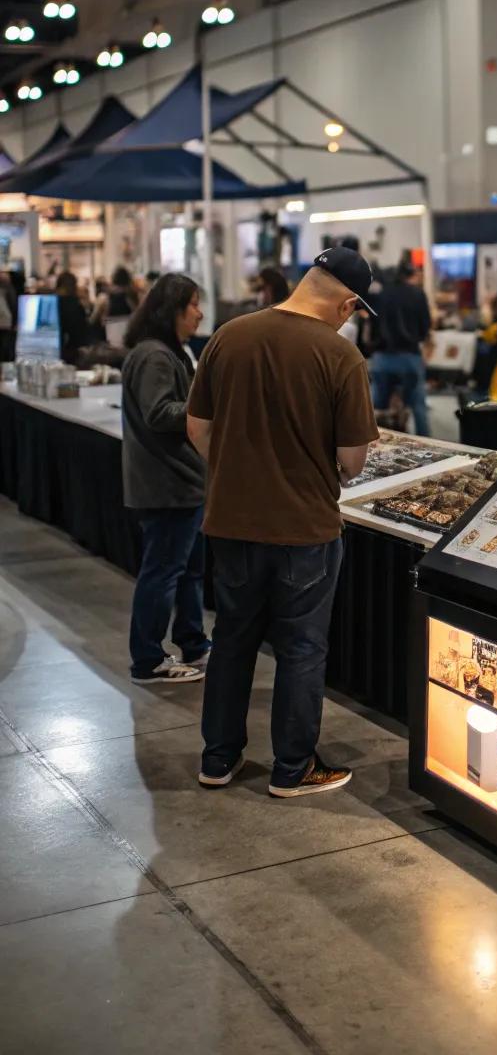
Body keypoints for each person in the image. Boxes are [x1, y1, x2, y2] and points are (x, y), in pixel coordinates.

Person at [187, 244, 378, 797]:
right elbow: (352, 460)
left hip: (230, 523)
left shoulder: (228, 336)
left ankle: (218, 759)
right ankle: (293, 768)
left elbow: (197, 428)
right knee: (301, 649)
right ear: (347, 305)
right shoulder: (340, 356)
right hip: (305, 530)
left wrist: (236, 472)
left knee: (231, 641)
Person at [121, 274, 210, 683]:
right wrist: (208, 406)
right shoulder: (155, 356)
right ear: (171, 309)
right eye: (193, 304)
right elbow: (158, 413)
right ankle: (148, 659)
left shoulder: (166, 352)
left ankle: (194, 643)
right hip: (167, 484)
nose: (199, 314)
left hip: (182, 483)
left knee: (187, 570)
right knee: (163, 572)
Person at [370, 261, 432, 435]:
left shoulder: (381, 295)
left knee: (377, 409)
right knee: (418, 407)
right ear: (409, 276)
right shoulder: (418, 294)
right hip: (410, 357)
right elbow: (425, 326)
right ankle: (426, 444)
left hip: (382, 358)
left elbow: (372, 326)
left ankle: (373, 443)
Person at [55, 269, 92, 365]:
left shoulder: (53, 304)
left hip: (56, 352)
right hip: (73, 355)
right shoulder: (77, 305)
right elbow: (82, 333)